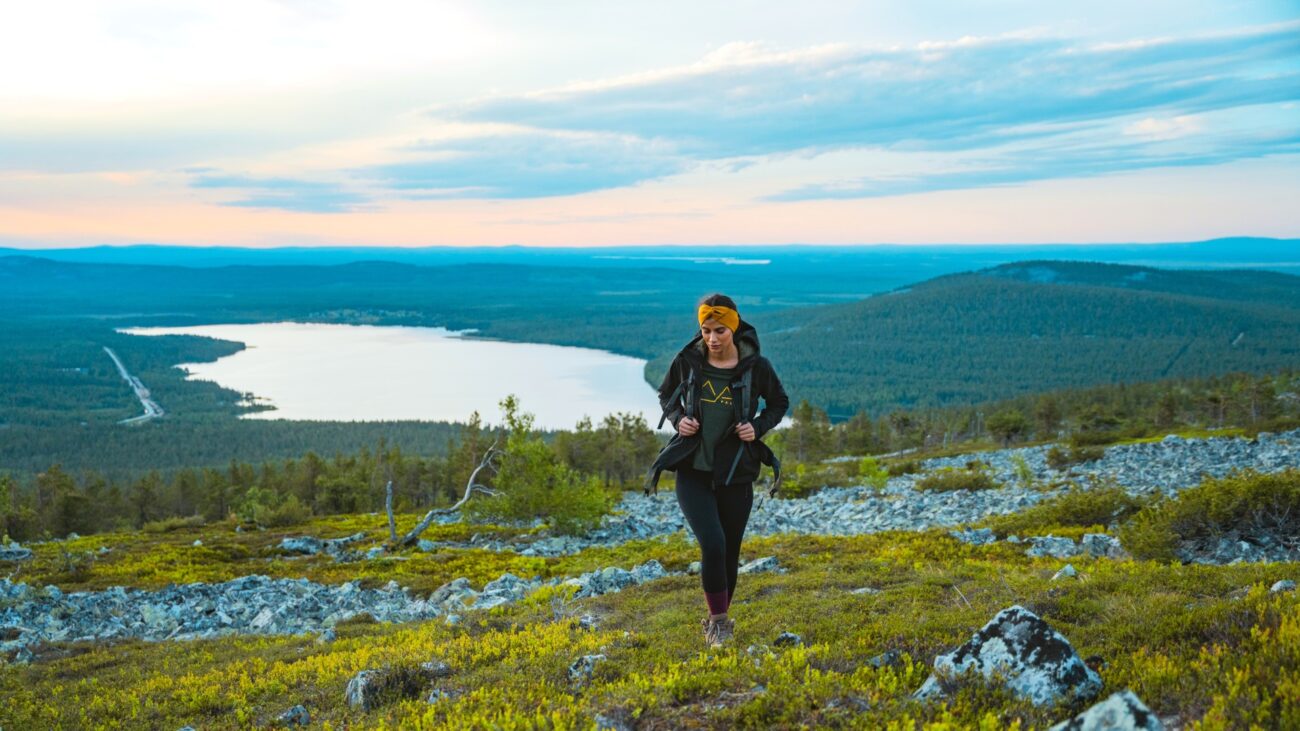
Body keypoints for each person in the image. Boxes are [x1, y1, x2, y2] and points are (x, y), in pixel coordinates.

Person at [645, 293, 789, 649]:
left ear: (734, 327)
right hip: (692, 470)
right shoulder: (687, 361)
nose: (712, 338)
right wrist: (679, 420)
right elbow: (666, 395)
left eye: (720, 330)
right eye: (706, 330)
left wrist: (757, 427)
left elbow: (779, 403)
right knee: (713, 543)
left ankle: (715, 616)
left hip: (736, 472)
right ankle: (721, 624)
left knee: (730, 551)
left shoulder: (757, 367)